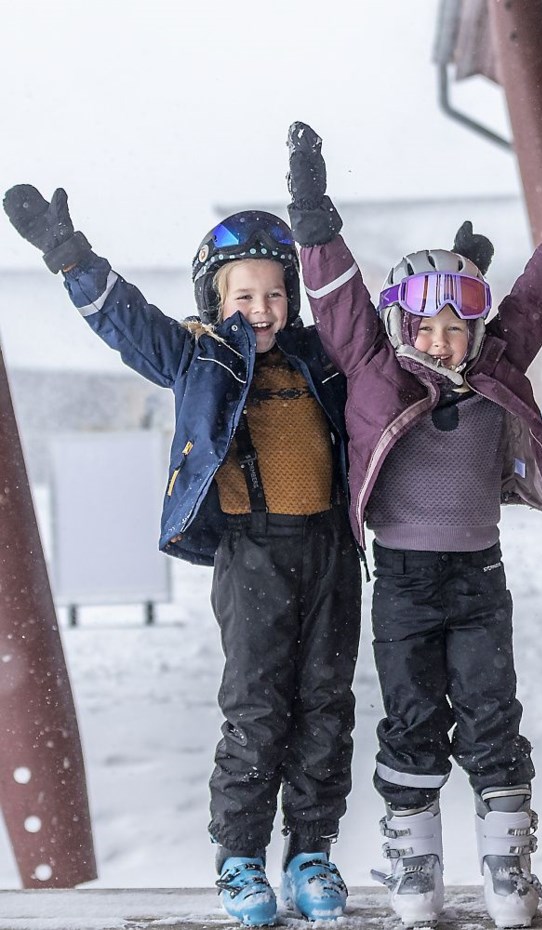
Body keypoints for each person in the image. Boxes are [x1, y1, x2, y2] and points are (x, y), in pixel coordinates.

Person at [284, 122, 542, 929]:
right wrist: (311, 210)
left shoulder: (494, 366)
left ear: (475, 330)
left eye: (457, 326)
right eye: (427, 326)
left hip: (479, 576)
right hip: (402, 582)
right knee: (411, 716)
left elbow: (540, 291)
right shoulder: (374, 368)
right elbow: (335, 298)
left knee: (490, 710)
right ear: (402, 326)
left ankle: (508, 860)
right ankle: (414, 857)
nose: (442, 341)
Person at [3, 188, 364, 928]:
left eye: (274, 292)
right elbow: (126, 323)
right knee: (259, 709)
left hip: (330, 551)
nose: (261, 307)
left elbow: (377, 342)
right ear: (215, 297)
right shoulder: (200, 355)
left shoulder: (321, 361)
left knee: (326, 706)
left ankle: (311, 851)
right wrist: (71, 257)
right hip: (251, 553)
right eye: (243, 294)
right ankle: (239, 859)